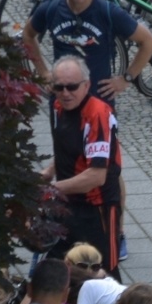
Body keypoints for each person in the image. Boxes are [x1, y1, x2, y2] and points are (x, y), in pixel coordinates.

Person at [26, 0, 152, 263]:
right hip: (64, 98)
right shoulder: (51, 9)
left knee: (108, 169)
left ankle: (117, 232)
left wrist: (126, 78)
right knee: (68, 151)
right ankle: (70, 222)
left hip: (98, 102)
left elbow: (147, 41)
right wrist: (43, 71)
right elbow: (28, 36)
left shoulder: (106, 11)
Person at [45, 55, 124, 280]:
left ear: (87, 85)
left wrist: (51, 189)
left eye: (72, 87)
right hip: (68, 202)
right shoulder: (59, 106)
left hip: (96, 209)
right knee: (65, 268)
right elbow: (70, 148)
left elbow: (96, 176)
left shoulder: (97, 114)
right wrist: (49, 170)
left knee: (103, 273)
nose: (65, 93)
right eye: (58, 87)